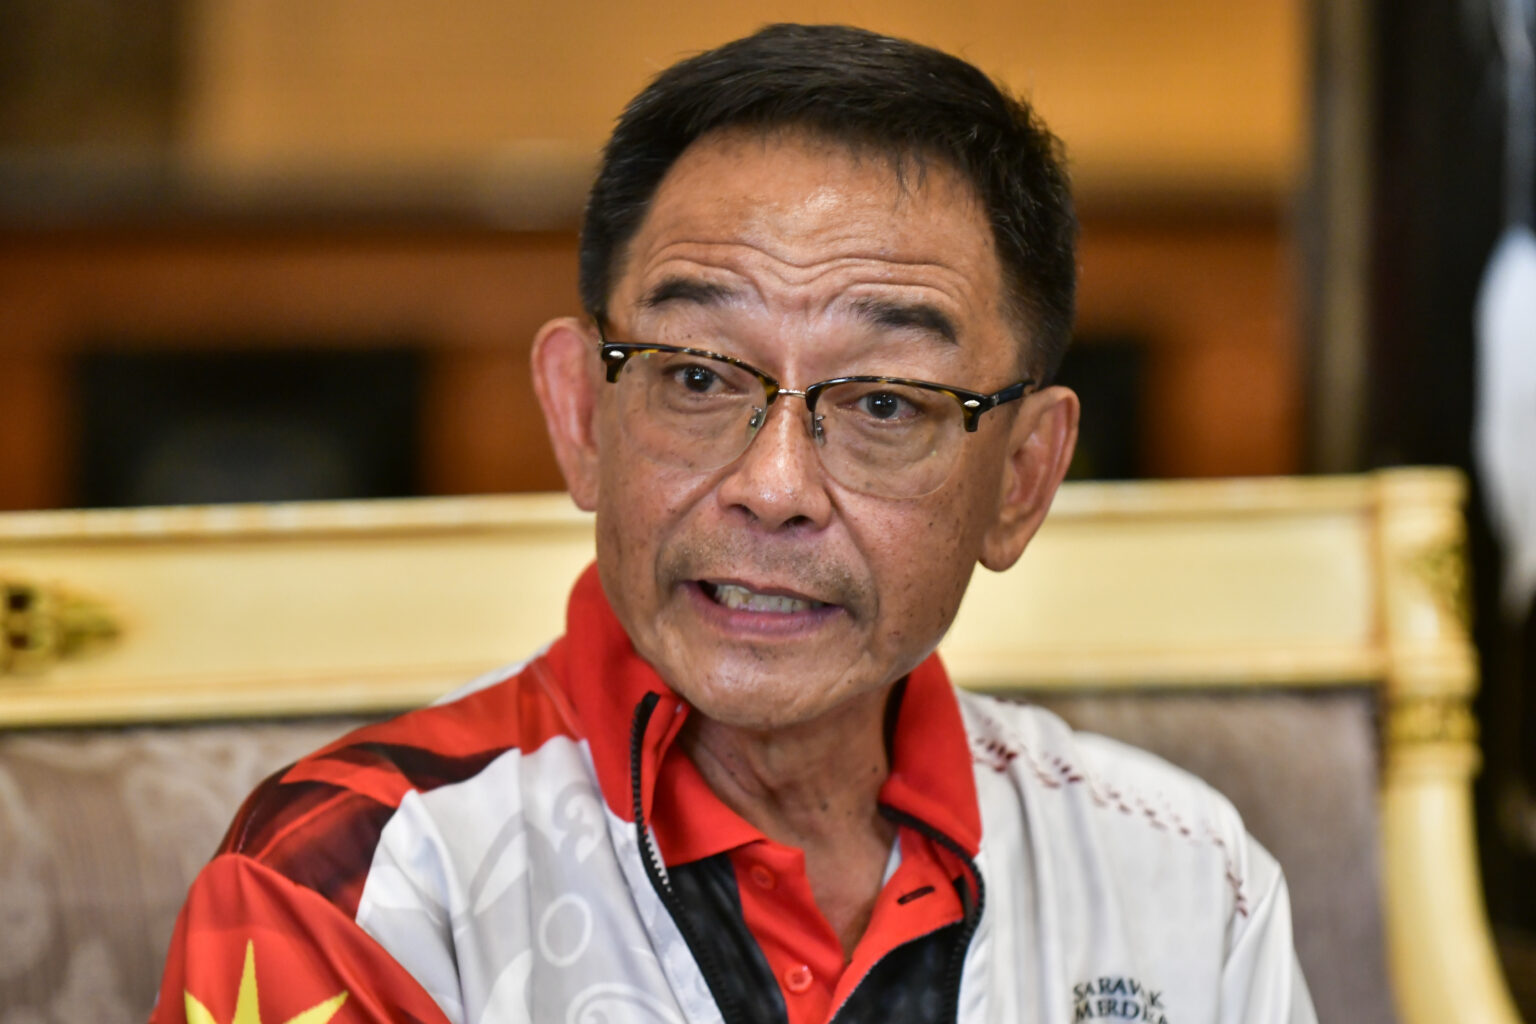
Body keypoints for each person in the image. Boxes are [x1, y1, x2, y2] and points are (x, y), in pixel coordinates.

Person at [152, 24, 1316, 1024]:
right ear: (580, 417)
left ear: (1022, 478)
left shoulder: (1181, 877)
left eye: (882, 403)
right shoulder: (357, 876)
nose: (774, 485)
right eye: (699, 377)